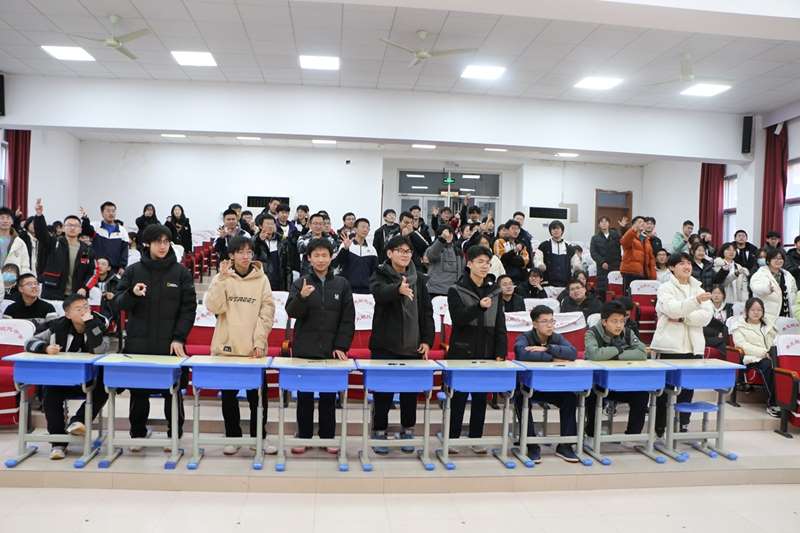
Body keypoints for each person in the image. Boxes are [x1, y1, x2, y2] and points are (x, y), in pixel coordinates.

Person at [114, 224, 197, 448]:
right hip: (138, 344)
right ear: (147, 244)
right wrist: (132, 294)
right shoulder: (133, 271)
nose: (163, 246)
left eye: (166, 241)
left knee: (173, 391)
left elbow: (188, 309)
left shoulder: (180, 273)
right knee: (138, 392)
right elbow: (118, 303)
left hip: (170, 344)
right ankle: (137, 434)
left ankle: (174, 435)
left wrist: (179, 338)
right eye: (158, 241)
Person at [204, 236, 276, 455]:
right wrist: (221, 279)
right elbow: (214, 307)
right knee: (229, 396)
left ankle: (259, 437)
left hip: (254, 349)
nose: (245, 256)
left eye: (249, 252)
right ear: (231, 255)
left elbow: (267, 313)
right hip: (227, 347)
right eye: (240, 252)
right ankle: (232, 436)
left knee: (258, 397)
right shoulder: (222, 277)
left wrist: (259, 341)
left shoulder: (262, 279)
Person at [286, 238, 355, 453]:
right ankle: (304, 436)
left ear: (331, 257)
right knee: (304, 396)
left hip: (331, 350)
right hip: (304, 349)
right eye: (316, 255)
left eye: (325, 255)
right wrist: (302, 297)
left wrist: (341, 346)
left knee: (328, 395)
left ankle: (328, 436)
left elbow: (348, 319)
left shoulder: (342, 284)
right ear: (309, 258)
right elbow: (292, 312)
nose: (321, 259)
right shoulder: (301, 283)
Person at [369, 235, 434, 454]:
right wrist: (397, 289)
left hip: (412, 344)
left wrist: (427, 340)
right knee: (383, 392)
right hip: (385, 344)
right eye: (400, 250)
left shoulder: (420, 278)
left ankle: (408, 429)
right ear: (389, 253)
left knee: (409, 393)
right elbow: (379, 294)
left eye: (408, 251)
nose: (405, 255)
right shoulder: (380, 273)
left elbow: (426, 312)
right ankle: (379, 430)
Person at [25, 294, 108, 459]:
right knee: (49, 393)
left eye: (86, 307)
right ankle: (58, 443)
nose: (84, 311)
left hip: (90, 379)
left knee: (103, 389)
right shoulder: (57, 326)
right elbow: (29, 343)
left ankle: (78, 422)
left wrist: (90, 324)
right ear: (68, 314)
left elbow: (100, 350)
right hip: (62, 378)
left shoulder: (98, 324)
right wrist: (45, 348)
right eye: (79, 309)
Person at [446, 245, 506, 453]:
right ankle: (452, 438)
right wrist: (479, 307)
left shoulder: (494, 290)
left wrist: (500, 352)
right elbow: (458, 319)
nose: (484, 266)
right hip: (462, 350)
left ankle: (476, 437)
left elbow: (500, 324)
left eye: (487, 263)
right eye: (480, 262)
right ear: (469, 263)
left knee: (481, 397)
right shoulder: (456, 289)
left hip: (487, 350)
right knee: (458, 397)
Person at [650, 252, 713, 437]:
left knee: (687, 389)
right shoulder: (665, 288)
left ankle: (683, 424)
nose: (687, 267)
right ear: (671, 267)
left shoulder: (699, 288)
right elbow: (672, 310)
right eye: (682, 263)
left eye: (689, 263)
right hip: (670, 346)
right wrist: (695, 303)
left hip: (694, 346)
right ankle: (659, 429)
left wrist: (683, 318)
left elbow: (706, 317)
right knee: (665, 390)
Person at [514, 304, 580, 463]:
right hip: (529, 388)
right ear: (535, 324)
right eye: (544, 321)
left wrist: (547, 349)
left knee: (570, 398)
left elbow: (573, 353)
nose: (550, 325)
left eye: (552, 321)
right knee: (520, 398)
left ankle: (566, 445)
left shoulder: (556, 338)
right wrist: (553, 358)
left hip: (553, 387)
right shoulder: (524, 337)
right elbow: (522, 354)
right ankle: (531, 445)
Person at [584, 301, 650, 439]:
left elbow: (642, 353)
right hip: (598, 384)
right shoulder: (592, 333)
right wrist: (619, 349)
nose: (619, 325)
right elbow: (594, 355)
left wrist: (614, 354)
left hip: (622, 383)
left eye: (622, 321)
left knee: (642, 394)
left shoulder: (628, 332)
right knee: (591, 396)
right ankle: (591, 434)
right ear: (604, 321)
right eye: (614, 321)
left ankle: (632, 436)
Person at [731, 297, 779, 417]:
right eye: (753, 310)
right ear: (747, 311)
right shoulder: (739, 326)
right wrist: (763, 353)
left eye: (759, 310)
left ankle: (789, 402)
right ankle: (773, 404)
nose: (756, 312)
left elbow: (776, 340)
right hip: (751, 359)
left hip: (771, 356)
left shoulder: (768, 325)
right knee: (767, 364)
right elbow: (742, 345)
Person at [36, 206, 96, 301]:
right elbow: (41, 234)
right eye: (69, 225)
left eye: (76, 226)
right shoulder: (54, 243)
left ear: (80, 229)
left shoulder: (87, 250)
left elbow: (92, 273)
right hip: (52, 293)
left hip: (76, 295)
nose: (72, 228)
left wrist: (85, 288)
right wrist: (39, 216)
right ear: (63, 228)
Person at [80, 201, 128, 275]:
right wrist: (85, 219)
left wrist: (122, 266)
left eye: (113, 211)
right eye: (108, 211)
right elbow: (86, 230)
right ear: (102, 213)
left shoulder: (122, 230)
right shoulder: (95, 226)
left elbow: (124, 250)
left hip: (114, 269)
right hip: (96, 267)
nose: (111, 213)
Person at [750, 248, 797, 322]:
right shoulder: (760, 274)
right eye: (775, 258)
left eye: (780, 258)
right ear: (768, 260)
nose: (778, 261)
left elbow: (794, 292)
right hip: (768, 315)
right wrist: (767, 289)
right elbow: (756, 288)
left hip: (786, 315)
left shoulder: (787, 275)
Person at [337, 218, 378, 295]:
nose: (365, 230)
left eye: (367, 228)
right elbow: (339, 263)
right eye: (363, 227)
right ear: (355, 229)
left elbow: (374, 272)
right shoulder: (346, 244)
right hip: (347, 289)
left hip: (366, 290)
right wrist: (345, 249)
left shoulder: (372, 249)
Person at [620, 216, 656, 294]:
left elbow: (651, 259)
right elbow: (624, 242)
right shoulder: (630, 237)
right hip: (631, 272)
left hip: (644, 273)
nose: (642, 223)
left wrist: (653, 276)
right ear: (633, 225)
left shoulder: (646, 239)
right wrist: (633, 229)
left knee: (642, 297)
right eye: (639, 222)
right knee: (629, 296)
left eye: (643, 222)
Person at [424, 226, 463, 298]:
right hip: (435, 291)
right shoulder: (432, 249)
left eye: (450, 233)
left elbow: (461, 271)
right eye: (445, 234)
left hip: (453, 291)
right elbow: (432, 255)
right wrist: (442, 239)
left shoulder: (458, 251)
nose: (448, 236)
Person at [590, 216, 622, 301]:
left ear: (609, 224)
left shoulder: (615, 235)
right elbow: (593, 252)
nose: (604, 223)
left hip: (615, 266)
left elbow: (624, 240)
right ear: (599, 225)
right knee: (602, 289)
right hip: (602, 267)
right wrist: (602, 262)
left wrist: (623, 228)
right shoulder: (595, 238)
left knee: (616, 289)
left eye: (606, 221)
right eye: (602, 222)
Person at [252, 214, 284, 291]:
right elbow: (252, 259)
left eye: (272, 224)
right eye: (267, 224)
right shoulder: (254, 241)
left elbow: (287, 265)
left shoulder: (281, 240)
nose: (270, 226)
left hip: (279, 281)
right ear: (260, 226)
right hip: (261, 280)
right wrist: (259, 241)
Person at [536, 220, 573, 288]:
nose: (556, 230)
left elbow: (575, 262)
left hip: (565, 284)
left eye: (558, 228)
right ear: (550, 231)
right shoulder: (544, 245)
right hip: (548, 283)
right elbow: (537, 259)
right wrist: (540, 265)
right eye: (553, 228)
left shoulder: (569, 246)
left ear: (562, 230)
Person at [495, 220, 530, 284]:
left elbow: (525, 261)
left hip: (521, 278)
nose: (516, 231)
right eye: (513, 228)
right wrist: (514, 251)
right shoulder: (500, 242)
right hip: (506, 277)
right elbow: (501, 259)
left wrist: (510, 259)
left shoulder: (520, 244)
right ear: (506, 230)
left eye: (518, 229)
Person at [703, 285, 734, 355]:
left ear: (724, 296)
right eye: (714, 293)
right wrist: (717, 333)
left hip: (724, 337)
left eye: (719, 293)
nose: (716, 296)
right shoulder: (706, 308)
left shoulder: (729, 308)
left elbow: (730, 325)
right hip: (709, 337)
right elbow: (704, 327)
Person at [0, 206, 31, 274]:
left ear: (12, 221)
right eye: (2, 218)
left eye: (8, 218)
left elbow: (25, 265)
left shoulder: (19, 243)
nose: (5, 221)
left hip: (12, 279)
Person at [94, 256, 120, 321]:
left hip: (109, 307)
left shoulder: (115, 280)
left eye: (103, 264)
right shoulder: (90, 279)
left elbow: (121, 293)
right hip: (94, 306)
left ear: (109, 268)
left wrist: (114, 295)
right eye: (98, 264)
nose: (100, 266)